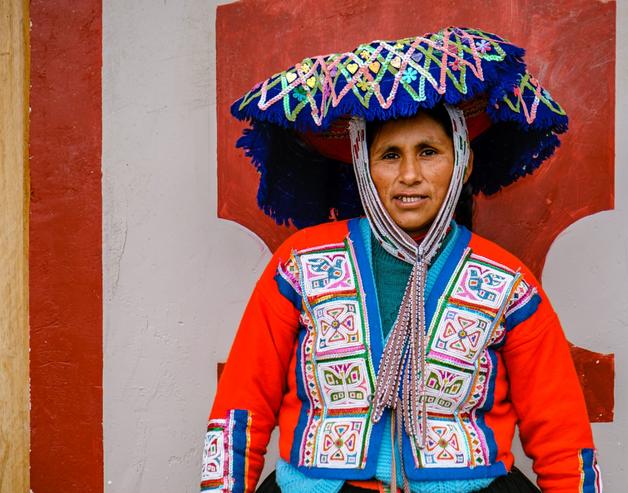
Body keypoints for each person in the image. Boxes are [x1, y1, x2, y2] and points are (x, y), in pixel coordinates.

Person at [200, 27, 601, 493]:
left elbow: (562, 433)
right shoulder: (303, 265)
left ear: (462, 164)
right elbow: (242, 404)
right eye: (390, 155)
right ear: (363, 167)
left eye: (428, 152)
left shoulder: (506, 282)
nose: (409, 175)